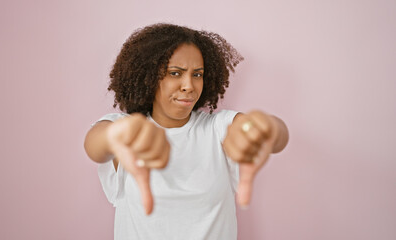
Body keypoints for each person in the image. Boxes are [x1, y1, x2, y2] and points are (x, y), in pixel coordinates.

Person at [84, 23, 289, 240]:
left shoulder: (218, 128)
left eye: (197, 74)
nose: (189, 85)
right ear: (149, 77)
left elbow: (274, 134)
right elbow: (95, 144)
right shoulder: (126, 129)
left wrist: (266, 129)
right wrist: (116, 135)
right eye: (175, 73)